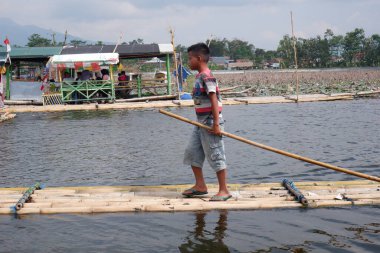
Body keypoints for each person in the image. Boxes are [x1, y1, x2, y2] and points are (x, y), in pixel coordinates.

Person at [182, 43, 231, 201]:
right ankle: (200, 186)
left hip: (210, 123)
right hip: (200, 123)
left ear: (199, 58)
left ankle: (224, 190)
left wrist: (216, 124)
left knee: (216, 154)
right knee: (192, 153)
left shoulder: (207, 76)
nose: (188, 62)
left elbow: (214, 100)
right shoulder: (198, 77)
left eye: (190, 59)